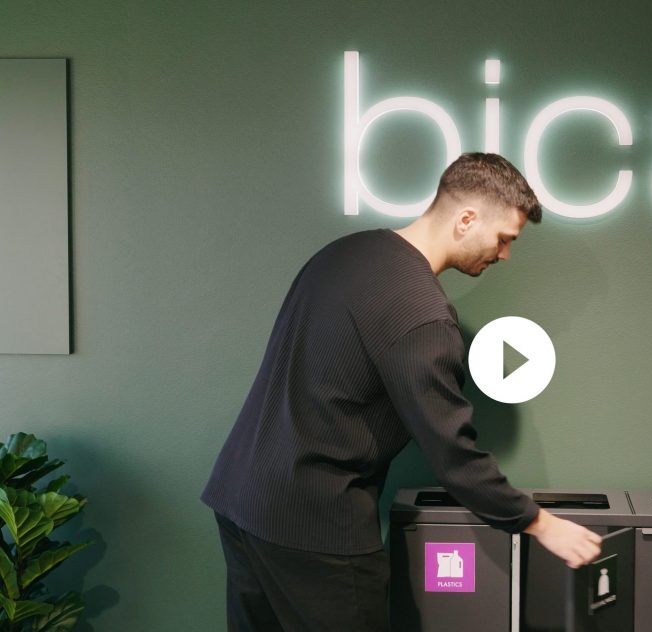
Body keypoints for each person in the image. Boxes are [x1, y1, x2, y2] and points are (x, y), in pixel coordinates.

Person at [201, 153, 602, 631]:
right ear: (466, 219)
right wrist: (539, 523)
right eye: (504, 239)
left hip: (241, 497)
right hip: (316, 526)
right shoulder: (422, 315)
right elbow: (453, 454)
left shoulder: (343, 252)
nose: (504, 255)